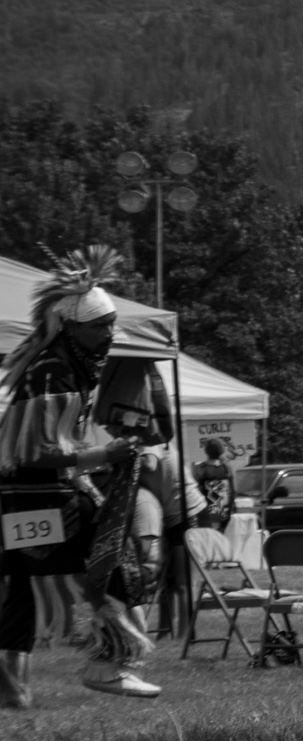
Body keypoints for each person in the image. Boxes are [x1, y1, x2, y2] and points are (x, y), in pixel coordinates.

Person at [0, 246, 162, 705]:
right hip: (42, 497)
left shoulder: (59, 366)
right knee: (114, 564)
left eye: (111, 325)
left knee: (19, 590)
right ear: (69, 326)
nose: (110, 334)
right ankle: (109, 663)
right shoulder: (54, 371)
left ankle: (9, 691)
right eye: (99, 326)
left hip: (23, 500)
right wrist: (101, 455)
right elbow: (31, 451)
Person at [192, 439, 234, 532]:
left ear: (206, 451)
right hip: (224, 509)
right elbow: (232, 491)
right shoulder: (226, 467)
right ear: (221, 450)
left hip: (208, 510)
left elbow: (196, 490)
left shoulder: (200, 468)